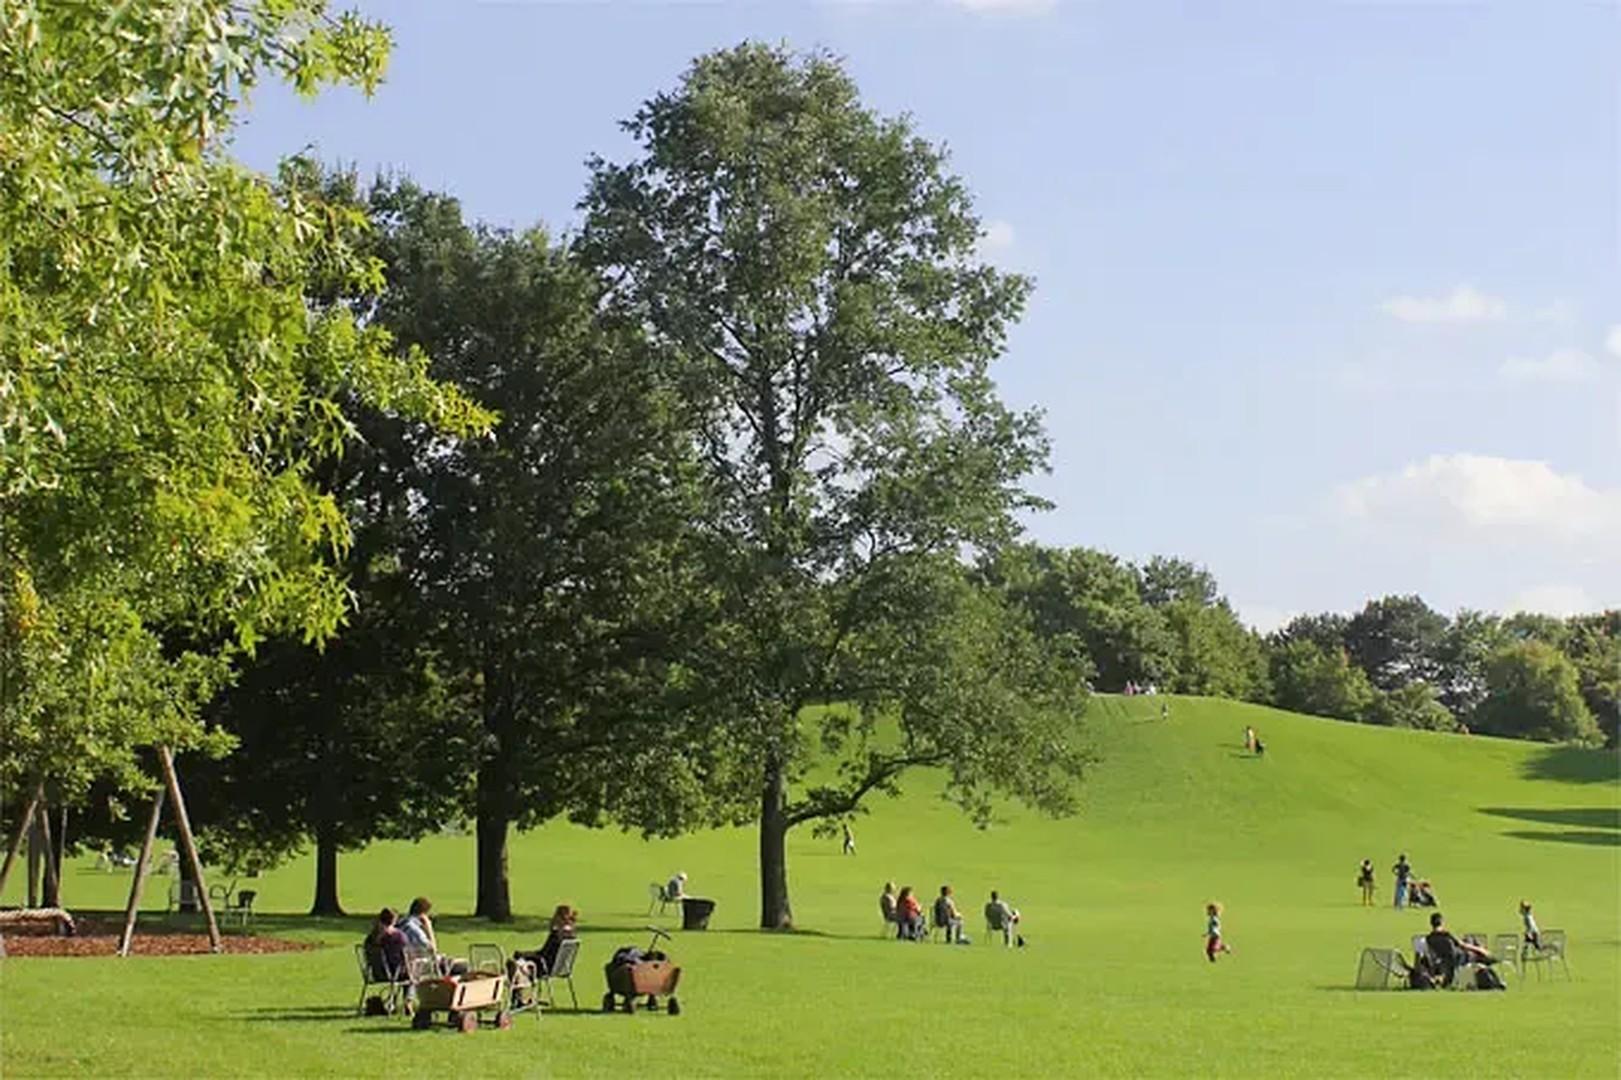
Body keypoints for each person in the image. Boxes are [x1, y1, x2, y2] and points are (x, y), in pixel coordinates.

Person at [398, 896, 467, 976]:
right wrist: (429, 928)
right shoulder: (414, 929)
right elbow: (432, 950)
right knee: (462, 966)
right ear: (423, 913)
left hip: (403, 964)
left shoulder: (401, 924)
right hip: (416, 965)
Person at [1423, 911, 1491, 988]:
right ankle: (1488, 962)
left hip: (1443, 960)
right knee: (1471, 943)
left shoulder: (1429, 938)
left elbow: (1431, 953)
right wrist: (1479, 949)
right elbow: (1462, 945)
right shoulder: (1446, 934)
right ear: (1442, 922)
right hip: (1457, 958)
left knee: (1469, 941)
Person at [517, 903, 579, 975]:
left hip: (545, 967)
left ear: (559, 917)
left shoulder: (557, 935)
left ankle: (519, 982)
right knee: (522, 959)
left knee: (519, 960)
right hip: (559, 968)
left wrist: (524, 954)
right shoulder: (571, 935)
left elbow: (544, 954)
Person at [364, 907, 408, 982]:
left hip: (377, 974)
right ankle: (408, 993)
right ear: (394, 921)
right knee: (411, 973)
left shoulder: (371, 937)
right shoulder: (397, 936)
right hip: (394, 973)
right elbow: (403, 954)